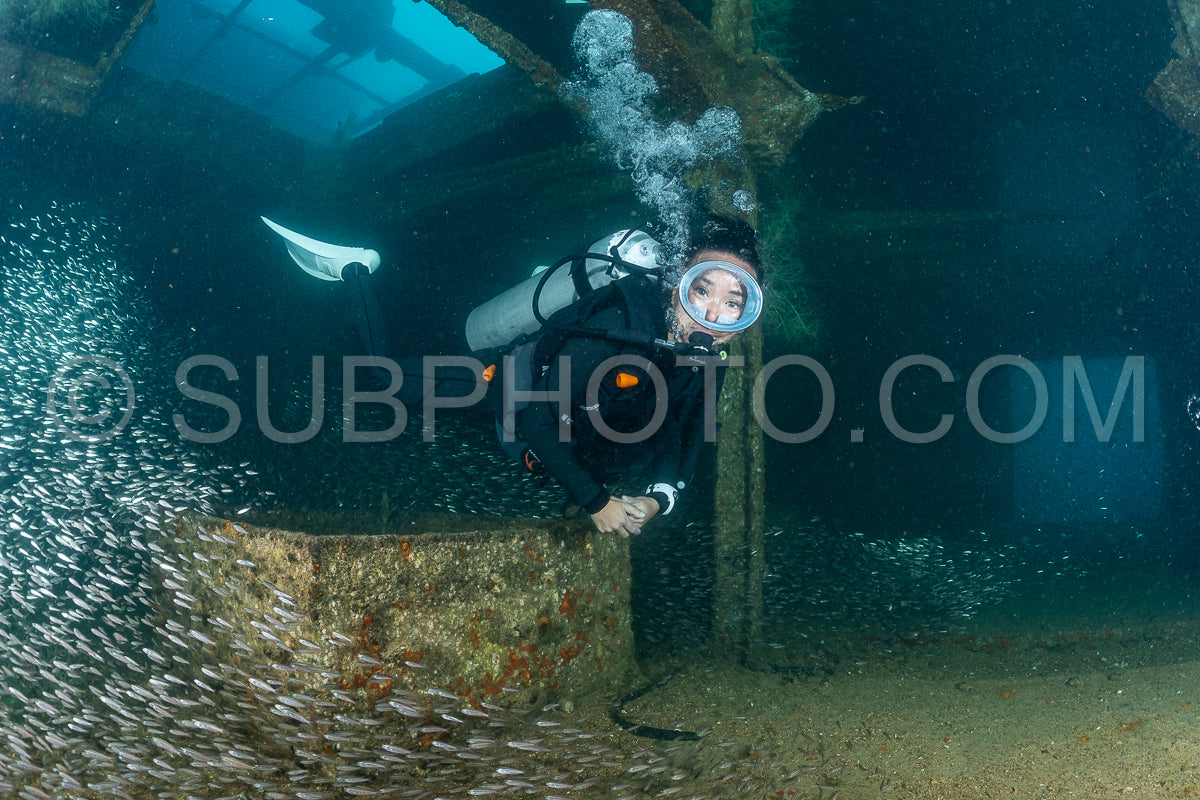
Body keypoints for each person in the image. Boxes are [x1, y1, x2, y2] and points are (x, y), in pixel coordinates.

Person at [503, 215, 765, 536]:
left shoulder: (711, 358)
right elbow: (537, 421)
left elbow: (683, 437)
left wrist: (654, 500)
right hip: (518, 400)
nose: (711, 317)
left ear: (745, 319)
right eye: (701, 290)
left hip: (593, 425)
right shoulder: (619, 324)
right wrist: (597, 502)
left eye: (733, 302)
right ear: (676, 289)